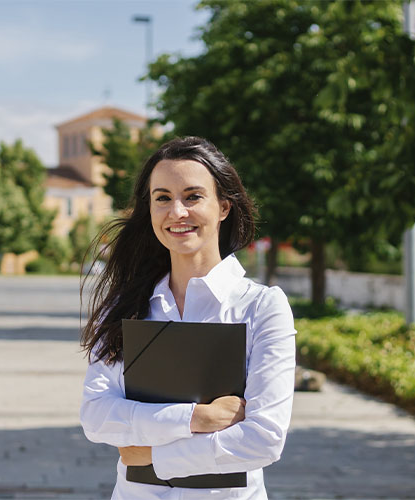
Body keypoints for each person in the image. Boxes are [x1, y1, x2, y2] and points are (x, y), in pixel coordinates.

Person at [79, 136, 296, 499]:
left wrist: (151, 455)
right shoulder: (128, 305)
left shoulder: (261, 307)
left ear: (224, 207)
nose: (177, 211)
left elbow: (263, 440)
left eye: (193, 196)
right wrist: (196, 418)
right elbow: (97, 416)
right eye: (162, 198)